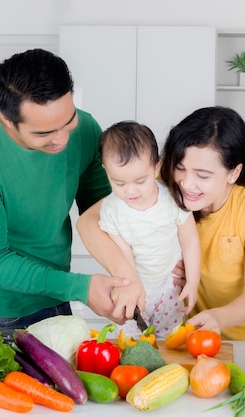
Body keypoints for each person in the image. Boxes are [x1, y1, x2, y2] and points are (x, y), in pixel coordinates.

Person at [0, 48, 131, 336]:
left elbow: (102, 209)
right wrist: (81, 287)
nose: (61, 140)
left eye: (68, 121)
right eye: (44, 134)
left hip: (54, 299)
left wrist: (134, 267)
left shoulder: (86, 130)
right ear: (8, 120)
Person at [159, 106, 245, 342]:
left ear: (234, 172)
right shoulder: (164, 184)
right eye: (180, 168)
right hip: (201, 332)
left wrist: (217, 317)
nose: (187, 184)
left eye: (202, 175)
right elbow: (93, 219)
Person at [95, 121, 201, 338]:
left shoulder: (172, 199)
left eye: (140, 181)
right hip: (133, 284)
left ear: (157, 167)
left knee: (168, 340)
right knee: (129, 341)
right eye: (119, 183)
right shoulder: (111, 209)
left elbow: (190, 240)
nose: (130, 191)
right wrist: (132, 286)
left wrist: (193, 280)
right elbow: (123, 253)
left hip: (168, 286)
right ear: (106, 170)